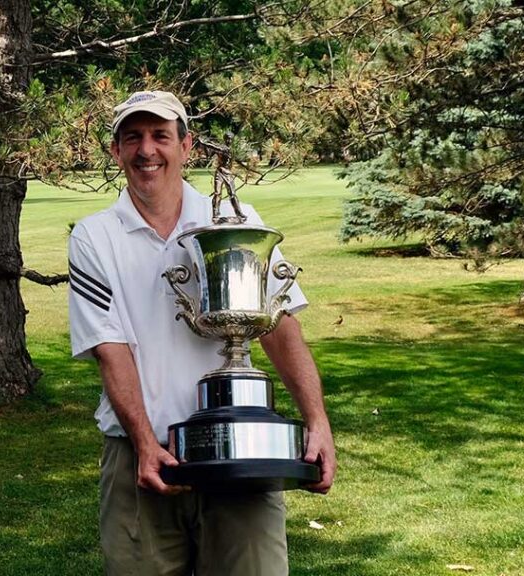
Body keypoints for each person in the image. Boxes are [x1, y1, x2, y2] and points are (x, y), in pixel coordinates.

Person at [67, 91, 336, 576]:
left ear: (186, 145)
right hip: (140, 458)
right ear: (116, 151)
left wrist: (317, 420)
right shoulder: (94, 237)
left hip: (241, 455)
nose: (147, 150)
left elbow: (280, 325)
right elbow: (111, 350)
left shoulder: (237, 222)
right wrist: (146, 443)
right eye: (133, 138)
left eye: (160, 136)